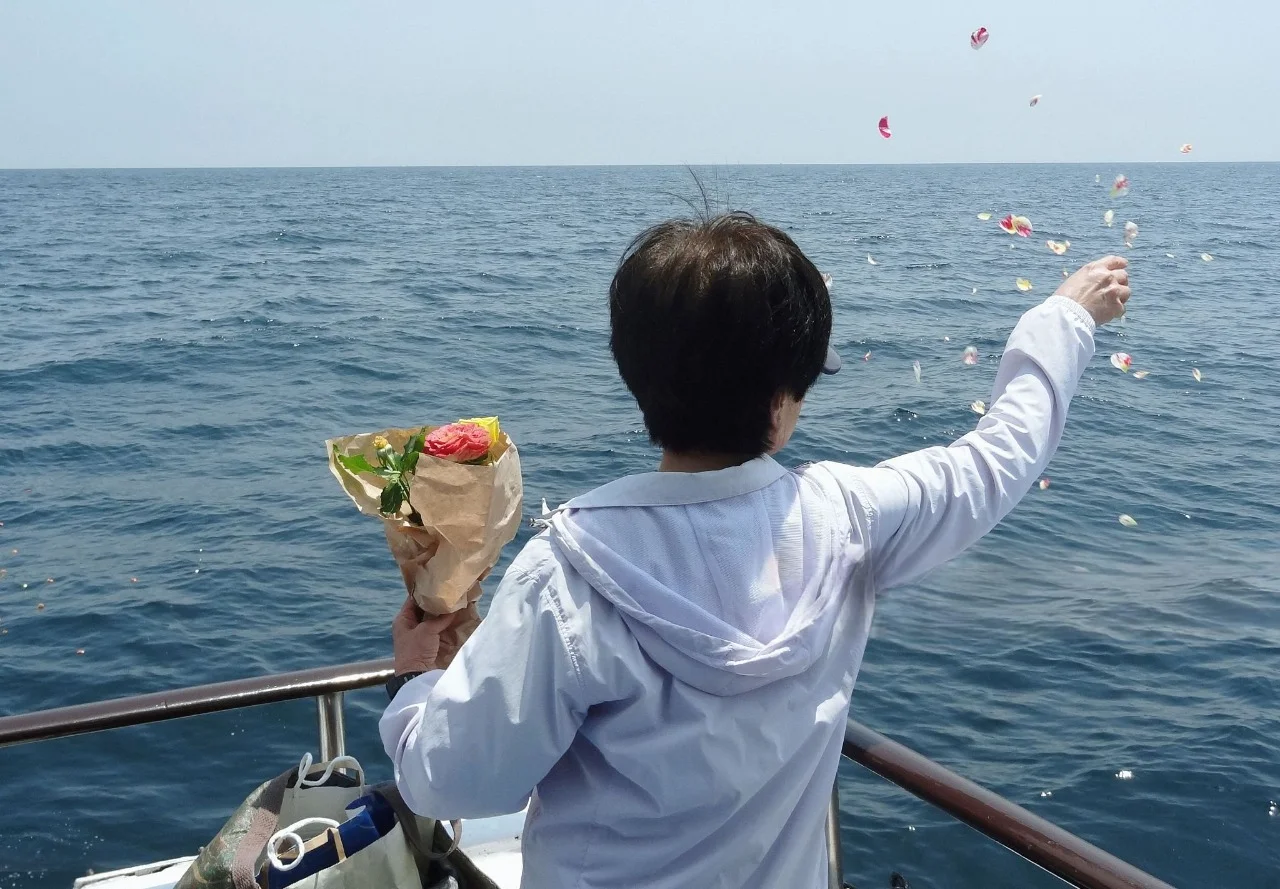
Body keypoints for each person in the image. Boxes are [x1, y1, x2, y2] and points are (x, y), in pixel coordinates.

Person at [380, 212, 1131, 888]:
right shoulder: (853, 520)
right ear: (780, 401)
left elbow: (453, 781)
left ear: (636, 373)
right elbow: (999, 455)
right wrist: (1063, 318)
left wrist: (415, 682)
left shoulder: (569, 575)